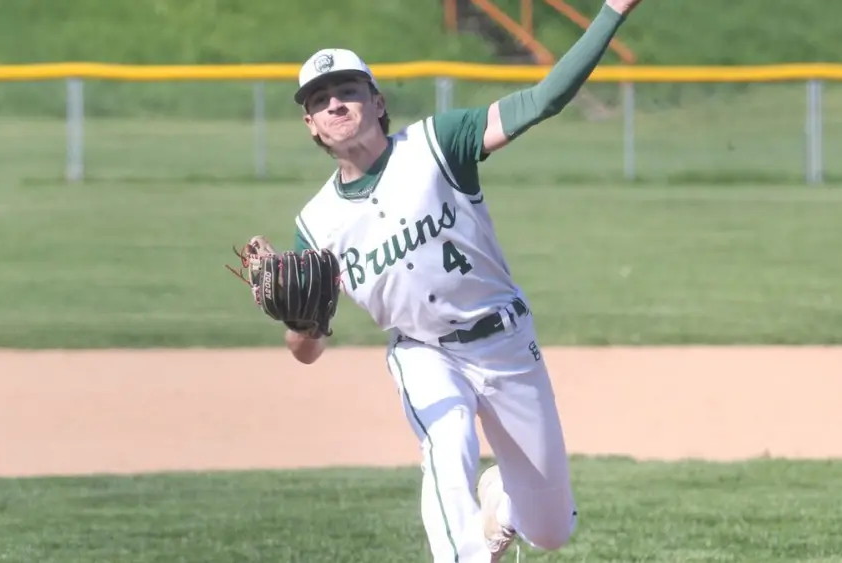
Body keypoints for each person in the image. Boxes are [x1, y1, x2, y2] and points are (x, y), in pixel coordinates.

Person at [254, 1, 642, 560]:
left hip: (506, 342)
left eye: (348, 91)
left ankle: (503, 503)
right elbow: (305, 350)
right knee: (448, 436)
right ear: (311, 126)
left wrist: (610, 11)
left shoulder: (438, 144)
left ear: (377, 101)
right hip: (425, 352)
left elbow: (544, 99)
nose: (335, 103)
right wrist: (301, 319)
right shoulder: (315, 226)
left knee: (551, 530)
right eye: (319, 100)